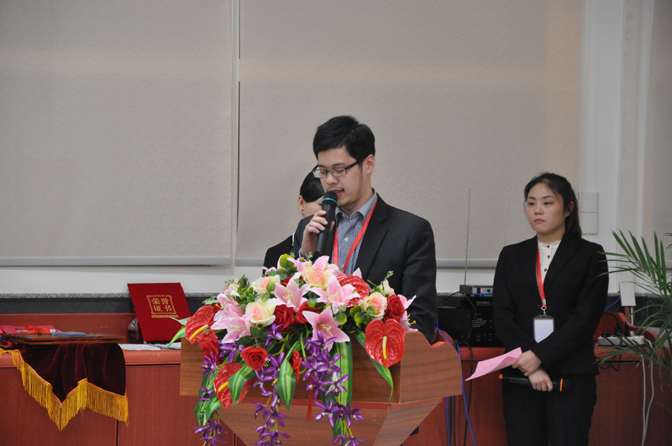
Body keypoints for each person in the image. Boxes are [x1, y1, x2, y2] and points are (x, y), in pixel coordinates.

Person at [292, 115, 438, 342]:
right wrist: (305, 257)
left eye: (339, 169)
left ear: (368, 164)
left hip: (380, 359)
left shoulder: (410, 232)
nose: (330, 180)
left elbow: (420, 322)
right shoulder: (310, 228)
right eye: (323, 171)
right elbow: (293, 313)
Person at [493, 172, 609, 446]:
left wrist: (539, 356)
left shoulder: (591, 255)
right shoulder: (511, 255)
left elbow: (585, 319)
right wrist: (529, 364)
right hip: (521, 376)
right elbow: (502, 315)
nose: (537, 210)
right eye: (531, 203)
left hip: (571, 375)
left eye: (547, 202)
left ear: (568, 208)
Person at [263, 172, 324, 270]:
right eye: (323, 205)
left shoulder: (338, 250)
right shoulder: (275, 254)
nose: (330, 212)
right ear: (301, 203)